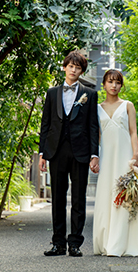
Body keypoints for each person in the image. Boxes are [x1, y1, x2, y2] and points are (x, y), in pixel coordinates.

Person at [38, 50, 100, 257]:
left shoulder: (89, 94)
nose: (74, 70)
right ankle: (58, 244)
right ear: (64, 67)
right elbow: (45, 124)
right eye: (71, 66)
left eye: (78, 67)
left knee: (78, 199)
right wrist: (42, 154)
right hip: (56, 151)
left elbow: (93, 126)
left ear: (82, 71)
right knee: (57, 198)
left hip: (81, 152)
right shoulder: (52, 92)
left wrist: (94, 154)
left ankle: (75, 244)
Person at [93, 69, 138, 256]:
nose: (114, 85)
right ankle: (107, 243)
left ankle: (127, 244)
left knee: (126, 196)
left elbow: (133, 131)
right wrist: (94, 157)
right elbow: (96, 136)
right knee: (106, 195)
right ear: (103, 84)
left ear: (121, 85)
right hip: (107, 156)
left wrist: (135, 154)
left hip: (124, 156)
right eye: (110, 82)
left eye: (117, 82)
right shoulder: (96, 108)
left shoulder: (128, 105)